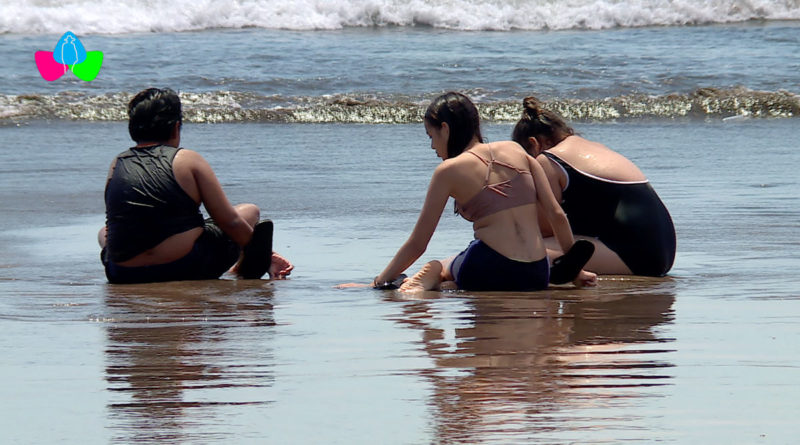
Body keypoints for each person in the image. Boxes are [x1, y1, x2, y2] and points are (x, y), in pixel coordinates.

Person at [370, 92, 596, 292]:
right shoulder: (516, 149)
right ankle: (445, 285)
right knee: (532, 260)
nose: (432, 147)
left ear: (445, 129)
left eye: (431, 136)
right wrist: (576, 270)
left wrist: (380, 280)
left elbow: (418, 243)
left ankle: (432, 275)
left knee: (446, 266)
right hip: (535, 273)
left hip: (489, 265)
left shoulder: (447, 171)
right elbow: (556, 215)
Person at [98, 87, 293, 284]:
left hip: (121, 273)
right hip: (186, 266)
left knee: (103, 232)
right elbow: (230, 222)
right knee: (249, 211)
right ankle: (241, 269)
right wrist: (265, 254)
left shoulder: (117, 163)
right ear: (176, 127)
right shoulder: (187, 159)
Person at [511, 96, 676, 276]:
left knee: (518, 249)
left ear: (535, 144)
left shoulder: (548, 160)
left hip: (635, 256)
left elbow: (545, 229)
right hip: (663, 251)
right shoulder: (594, 147)